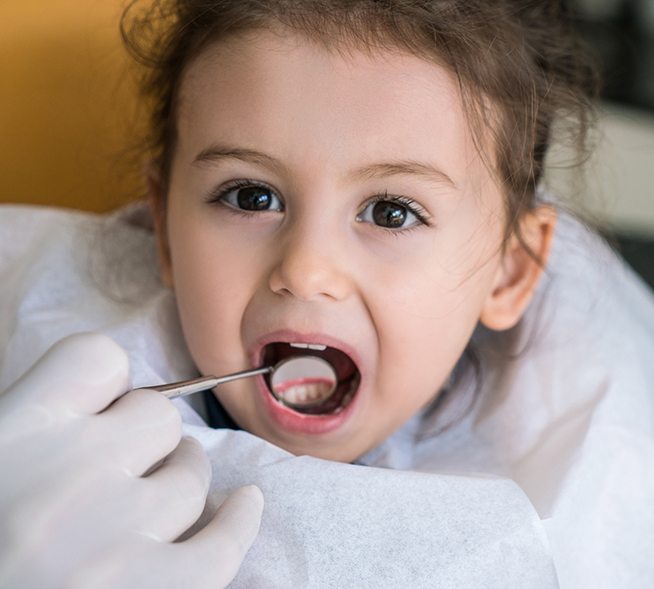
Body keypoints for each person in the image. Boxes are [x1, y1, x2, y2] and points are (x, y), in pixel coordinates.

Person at [1, 1, 653, 587]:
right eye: (251, 195)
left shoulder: (594, 480)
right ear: (166, 232)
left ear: (508, 273)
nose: (307, 269)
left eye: (392, 212)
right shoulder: (30, 380)